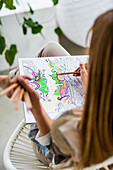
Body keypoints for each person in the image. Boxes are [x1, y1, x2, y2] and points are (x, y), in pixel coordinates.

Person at [1, 9, 113, 169]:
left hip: (55, 150)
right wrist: (91, 88)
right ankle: (13, 80)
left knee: (45, 65)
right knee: (52, 49)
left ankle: (13, 82)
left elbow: (53, 147)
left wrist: (36, 105)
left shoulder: (80, 125)